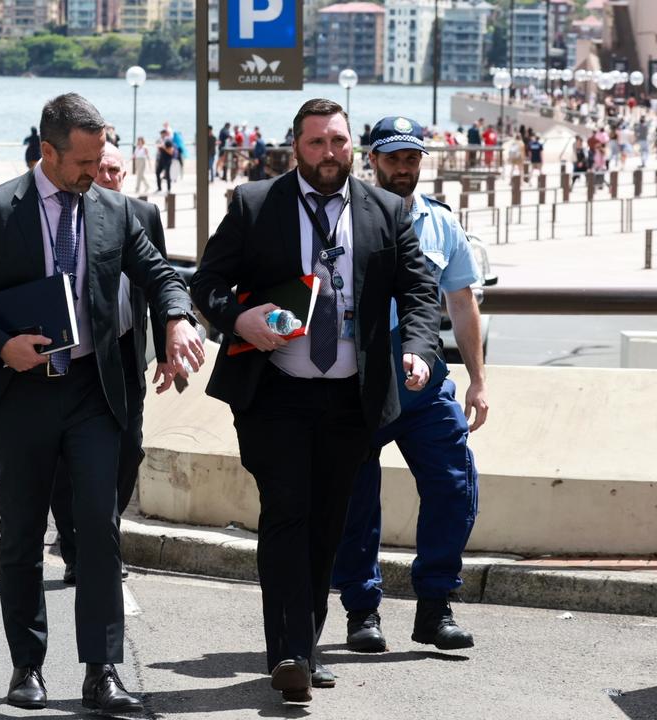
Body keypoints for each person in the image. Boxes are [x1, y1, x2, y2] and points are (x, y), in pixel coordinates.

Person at [0, 93, 202, 714]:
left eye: (99, 158)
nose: (93, 171)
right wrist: (2, 345)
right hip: (20, 393)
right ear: (47, 152)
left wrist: (178, 317)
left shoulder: (112, 209)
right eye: (82, 161)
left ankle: (102, 672)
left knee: (99, 531)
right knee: (23, 531)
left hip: (93, 392)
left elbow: (160, 273)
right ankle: (26, 666)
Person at [191, 98, 440, 704]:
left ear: (352, 146)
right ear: (294, 147)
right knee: (287, 512)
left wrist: (418, 348)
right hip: (274, 391)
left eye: (338, 142)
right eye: (316, 144)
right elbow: (206, 285)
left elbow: (421, 290)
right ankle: (291, 654)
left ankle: (305, 643)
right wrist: (239, 318)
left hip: (351, 398)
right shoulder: (254, 205)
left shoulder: (385, 210)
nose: (329, 154)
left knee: (328, 523)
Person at [332, 115, 486, 656]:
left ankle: (435, 606)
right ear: (371, 160)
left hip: (426, 386)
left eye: (412, 157)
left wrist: (478, 382)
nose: (403, 167)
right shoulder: (346, 217)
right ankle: (362, 609)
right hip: (359, 382)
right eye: (393, 157)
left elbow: (463, 305)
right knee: (356, 499)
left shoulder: (442, 224)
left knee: (455, 486)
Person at [50, 141, 185, 586]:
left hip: (126, 352)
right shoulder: (75, 215)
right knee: (66, 462)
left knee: (129, 449)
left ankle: (103, 536)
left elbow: (160, 278)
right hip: (77, 356)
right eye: (99, 170)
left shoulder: (140, 215)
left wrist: (168, 351)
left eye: (114, 171)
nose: (106, 178)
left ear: (125, 174)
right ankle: (81, 551)